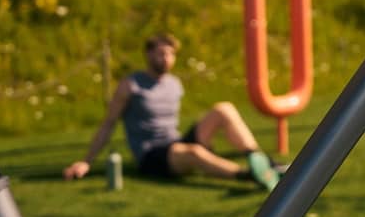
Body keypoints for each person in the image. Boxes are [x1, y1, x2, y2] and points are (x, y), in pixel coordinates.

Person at [62, 33, 281, 191]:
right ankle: (248, 175)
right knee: (193, 151)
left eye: (170, 54)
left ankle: (259, 159)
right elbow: (109, 123)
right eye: (161, 53)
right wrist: (87, 161)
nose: (166, 59)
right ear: (148, 55)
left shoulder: (174, 84)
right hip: (152, 156)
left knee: (224, 108)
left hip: (175, 143)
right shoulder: (131, 85)